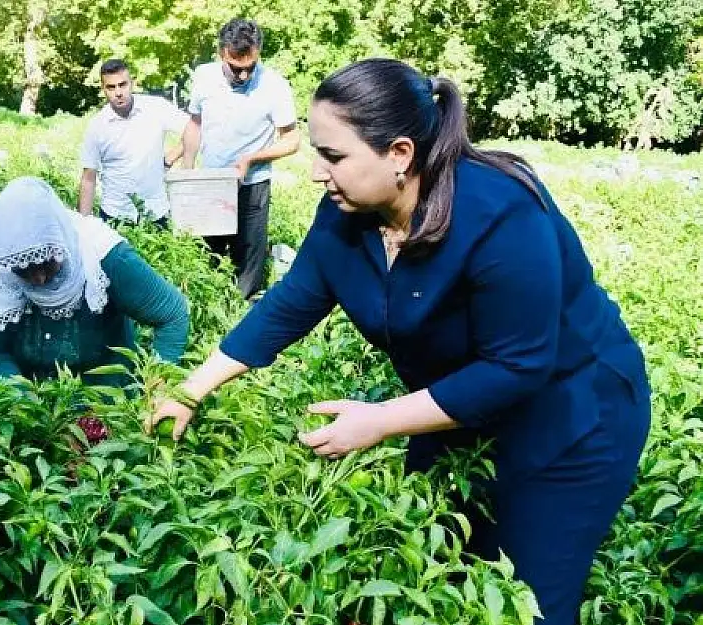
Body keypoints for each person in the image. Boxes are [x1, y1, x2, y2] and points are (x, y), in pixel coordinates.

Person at [149, 59, 651, 625]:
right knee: (435, 566)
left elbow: (517, 368)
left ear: (400, 155)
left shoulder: (501, 213)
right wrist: (190, 390)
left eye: (334, 156)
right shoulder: (347, 217)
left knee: (528, 599)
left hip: (571, 418)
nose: (317, 172)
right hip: (455, 410)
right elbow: (290, 305)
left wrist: (380, 420)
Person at [0, 177, 190, 388]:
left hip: (109, 403)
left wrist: (157, 388)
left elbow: (172, 314)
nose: (40, 278)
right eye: (23, 269)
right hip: (34, 407)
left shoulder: (100, 254)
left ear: (61, 241)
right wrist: (23, 400)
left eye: (47, 262)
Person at [181, 18, 300, 301]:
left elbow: (292, 140)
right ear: (221, 52)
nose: (244, 76)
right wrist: (188, 171)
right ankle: (210, 310)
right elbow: (195, 124)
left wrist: (252, 158)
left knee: (248, 258)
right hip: (211, 183)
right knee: (208, 253)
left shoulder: (275, 85)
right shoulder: (203, 77)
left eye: (250, 68)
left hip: (253, 185)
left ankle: (242, 314)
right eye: (236, 68)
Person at [78, 59, 190, 227]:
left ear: (132, 83)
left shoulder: (156, 108)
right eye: (111, 87)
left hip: (156, 212)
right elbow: (88, 179)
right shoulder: (97, 126)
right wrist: (83, 226)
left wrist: (170, 159)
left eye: (122, 84)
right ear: (104, 89)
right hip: (115, 216)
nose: (118, 92)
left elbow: (193, 130)